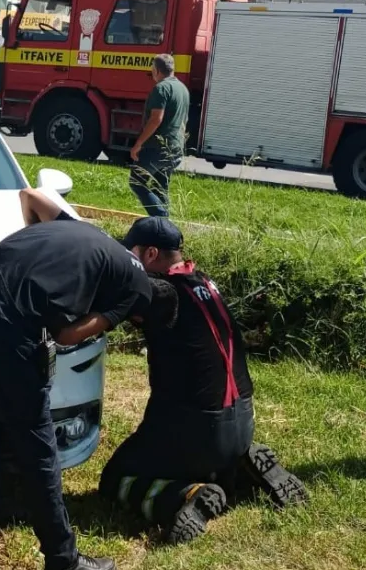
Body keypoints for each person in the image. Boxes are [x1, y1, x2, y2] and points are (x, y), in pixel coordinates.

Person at [0, 187, 154, 570]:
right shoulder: (139, 290)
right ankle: (64, 558)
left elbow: (30, 196)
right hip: (6, 316)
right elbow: (67, 335)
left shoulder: (85, 230)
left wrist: (30, 264)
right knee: (37, 442)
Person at [98, 216, 308, 542]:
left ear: (150, 254)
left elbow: (115, 287)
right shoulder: (203, 283)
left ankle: (185, 496)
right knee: (203, 451)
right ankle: (234, 468)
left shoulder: (162, 293)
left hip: (195, 431)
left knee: (115, 480)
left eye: (132, 254)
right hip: (242, 421)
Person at [128, 53, 189, 217]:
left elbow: (156, 119)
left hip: (157, 148)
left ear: (156, 70)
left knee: (136, 180)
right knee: (160, 186)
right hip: (175, 147)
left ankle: (160, 217)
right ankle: (164, 226)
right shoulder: (182, 89)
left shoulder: (161, 88)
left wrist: (139, 143)